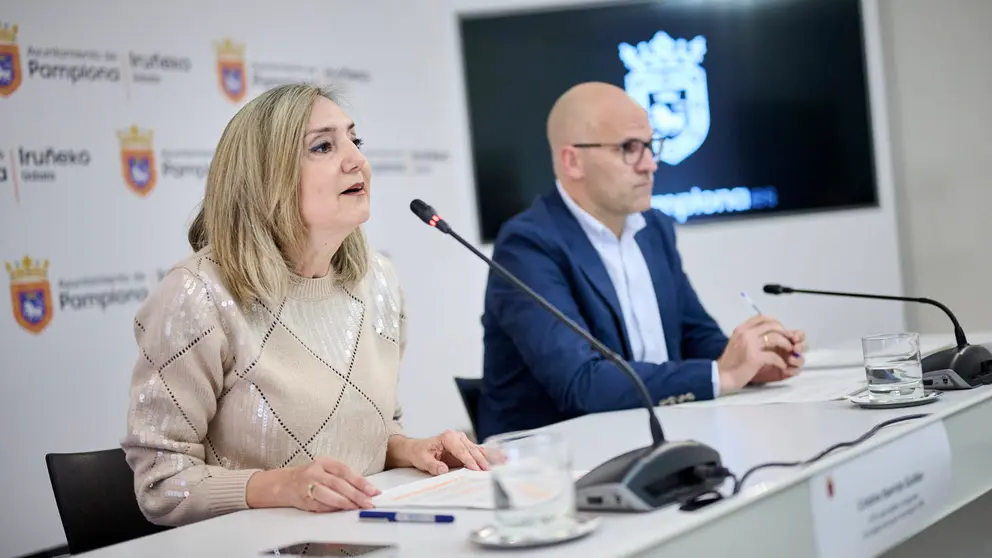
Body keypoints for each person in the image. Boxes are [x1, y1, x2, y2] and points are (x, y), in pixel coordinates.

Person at [121, 83, 488, 528]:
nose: (356, 159)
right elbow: (161, 485)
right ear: (264, 176)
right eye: (323, 146)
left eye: (356, 140)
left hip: (360, 536)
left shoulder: (379, 281)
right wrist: (280, 486)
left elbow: (363, 430)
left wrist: (406, 448)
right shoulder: (197, 295)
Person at [477, 82, 808, 440]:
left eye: (650, 146)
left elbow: (695, 335)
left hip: (661, 434)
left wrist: (755, 361)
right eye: (629, 148)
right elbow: (581, 383)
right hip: (559, 462)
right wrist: (720, 375)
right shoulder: (526, 246)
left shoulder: (654, 228)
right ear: (573, 161)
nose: (650, 164)